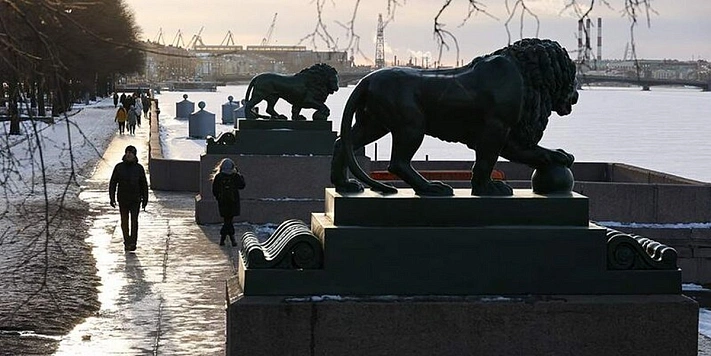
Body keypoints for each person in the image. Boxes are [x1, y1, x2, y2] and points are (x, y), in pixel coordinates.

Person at [109, 145, 149, 252]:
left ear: (134, 155)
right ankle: (126, 241)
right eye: (127, 152)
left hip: (135, 199)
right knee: (124, 221)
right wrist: (112, 198)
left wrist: (145, 199)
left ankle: (133, 242)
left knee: (134, 221)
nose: (128, 154)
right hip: (123, 199)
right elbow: (113, 183)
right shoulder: (119, 167)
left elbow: (144, 184)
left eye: (131, 153)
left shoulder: (139, 168)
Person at [211, 158, 246, 246]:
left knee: (227, 220)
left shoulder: (218, 176)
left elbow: (214, 190)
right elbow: (242, 186)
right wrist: (239, 174)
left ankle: (224, 239)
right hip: (233, 201)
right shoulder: (235, 176)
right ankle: (231, 239)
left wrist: (219, 198)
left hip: (223, 202)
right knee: (229, 220)